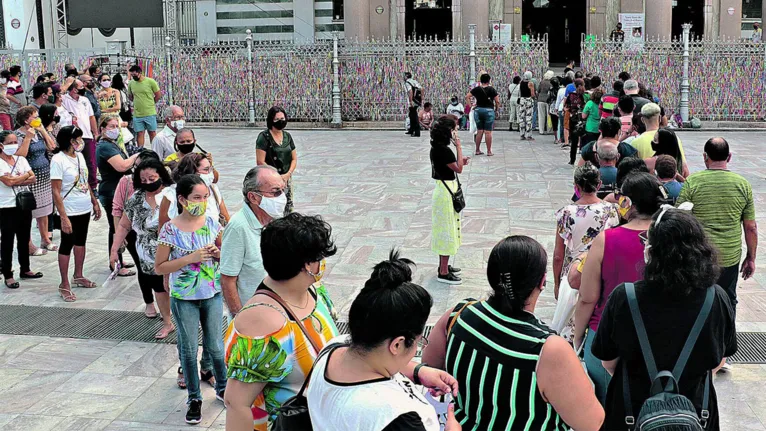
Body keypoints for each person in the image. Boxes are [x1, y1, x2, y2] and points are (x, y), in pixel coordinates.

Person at [422, 235, 605, 430]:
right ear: (542, 282)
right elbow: (593, 423)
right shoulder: (549, 350)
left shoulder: (459, 314)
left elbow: (429, 369)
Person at [592, 207, 736, 430]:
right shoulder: (716, 299)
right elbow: (718, 360)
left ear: (652, 251)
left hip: (631, 412)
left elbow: (607, 361)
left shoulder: (625, 297)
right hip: (697, 414)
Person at [307, 250, 461, 431]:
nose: (417, 349)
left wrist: (418, 371)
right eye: (419, 342)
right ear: (397, 344)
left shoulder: (335, 347)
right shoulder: (395, 417)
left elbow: (374, 359)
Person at [223, 212, 339, 431]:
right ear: (308, 265)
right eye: (320, 257)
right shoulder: (262, 323)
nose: (323, 263)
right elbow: (237, 404)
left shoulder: (314, 290)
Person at [574, 172, 664, 402]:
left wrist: (577, 338)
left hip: (608, 336)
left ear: (628, 203)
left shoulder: (607, 240)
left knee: (607, 409)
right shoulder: (670, 237)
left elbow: (588, 297)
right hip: (660, 335)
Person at [155, 174, 227, 424]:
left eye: (206, 197)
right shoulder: (170, 229)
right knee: (188, 349)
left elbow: (224, 256)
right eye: (197, 197)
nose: (203, 201)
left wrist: (218, 254)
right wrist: (190, 258)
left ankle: (223, 388)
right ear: (183, 200)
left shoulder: (211, 223)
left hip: (212, 293)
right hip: (184, 297)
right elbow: (160, 267)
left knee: (216, 346)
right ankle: (194, 398)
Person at [678, 137, 757, 319]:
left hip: (700, 255)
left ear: (705, 157)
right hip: (729, 257)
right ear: (729, 157)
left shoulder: (693, 182)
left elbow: (680, 218)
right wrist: (751, 258)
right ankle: (726, 342)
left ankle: (699, 341)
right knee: (728, 299)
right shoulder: (742, 184)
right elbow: (750, 227)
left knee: (697, 298)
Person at [111, 159, 175, 338]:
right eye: (143, 179)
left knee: (174, 286)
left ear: (161, 175)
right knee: (159, 288)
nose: (148, 182)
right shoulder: (137, 198)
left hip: (172, 250)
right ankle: (167, 322)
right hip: (147, 253)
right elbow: (124, 225)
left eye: (152, 178)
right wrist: (115, 248)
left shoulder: (172, 194)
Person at [220, 165, 285, 317]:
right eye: (275, 192)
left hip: (277, 311)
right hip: (253, 317)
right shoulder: (238, 227)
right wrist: (240, 317)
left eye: (283, 190)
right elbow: (227, 280)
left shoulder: (275, 220)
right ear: (253, 197)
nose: (282, 197)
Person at [50, 126, 101, 301]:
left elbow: (84, 181)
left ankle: (78, 274)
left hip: (84, 206)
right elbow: (56, 190)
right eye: (78, 139)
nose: (81, 142)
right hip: (69, 208)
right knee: (67, 244)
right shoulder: (58, 160)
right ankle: (64, 283)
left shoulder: (79, 156)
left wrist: (94, 202)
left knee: (81, 241)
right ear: (71, 141)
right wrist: (63, 217)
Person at [554, 163, 619, 298]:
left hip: (573, 273)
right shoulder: (612, 210)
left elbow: (558, 255)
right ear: (599, 185)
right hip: (601, 269)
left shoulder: (566, 212)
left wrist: (556, 284)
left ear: (576, 186)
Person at [97, 115, 140, 278]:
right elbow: (121, 166)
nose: (115, 129)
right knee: (119, 228)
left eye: (117, 126)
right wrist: (136, 156)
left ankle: (117, 260)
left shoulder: (112, 144)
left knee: (115, 228)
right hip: (111, 192)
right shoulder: (105, 147)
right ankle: (116, 262)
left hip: (117, 191)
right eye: (111, 126)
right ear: (103, 129)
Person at [430, 116, 468, 285]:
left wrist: (459, 160)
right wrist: (459, 146)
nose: (456, 132)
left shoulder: (438, 147)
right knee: (446, 230)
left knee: (447, 227)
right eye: (454, 129)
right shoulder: (444, 150)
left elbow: (453, 166)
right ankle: (443, 272)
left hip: (443, 188)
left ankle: (443, 266)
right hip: (445, 193)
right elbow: (458, 169)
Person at [14, 106, 57, 254]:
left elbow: (52, 147)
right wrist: (28, 138)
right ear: (26, 120)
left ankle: (46, 239)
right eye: (34, 117)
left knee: (44, 210)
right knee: (28, 213)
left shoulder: (39, 132)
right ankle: (29, 244)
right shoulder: (18, 135)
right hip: (30, 178)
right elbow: (20, 155)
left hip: (44, 176)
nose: (38, 119)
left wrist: (43, 131)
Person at [0, 130, 40, 289]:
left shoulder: (21, 159)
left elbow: (33, 177)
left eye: (15, 142)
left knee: (24, 237)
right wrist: (23, 177)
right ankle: (8, 274)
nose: (14, 145)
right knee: (7, 240)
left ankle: (25, 268)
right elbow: (8, 182)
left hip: (24, 203)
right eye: (10, 143)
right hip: (6, 205)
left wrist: (16, 179)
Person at [158, 152, 229, 232]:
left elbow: (227, 222)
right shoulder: (170, 195)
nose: (210, 173)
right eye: (206, 170)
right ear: (192, 172)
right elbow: (162, 230)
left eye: (211, 169)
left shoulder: (213, 189)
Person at [256, 106, 297, 215]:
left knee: (288, 206)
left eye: (282, 119)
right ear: (271, 120)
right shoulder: (264, 137)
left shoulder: (287, 136)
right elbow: (260, 161)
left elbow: (294, 158)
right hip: (271, 178)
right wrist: (276, 176)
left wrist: (288, 174)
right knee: (273, 207)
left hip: (286, 178)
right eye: (277, 119)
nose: (281, 122)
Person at [61, 79, 98, 192]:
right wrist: (68, 82)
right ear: (74, 89)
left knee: (91, 162)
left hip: (87, 135)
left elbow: (91, 117)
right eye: (82, 86)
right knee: (74, 161)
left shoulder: (85, 100)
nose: (84, 88)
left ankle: (93, 186)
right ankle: (75, 184)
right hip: (72, 137)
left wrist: (95, 132)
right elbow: (60, 92)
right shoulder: (64, 99)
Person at [127, 65, 162, 148]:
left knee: (152, 132)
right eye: (132, 75)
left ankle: (154, 150)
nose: (133, 77)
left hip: (149, 112)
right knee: (140, 133)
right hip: (137, 113)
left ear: (140, 73)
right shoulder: (131, 83)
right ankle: (140, 151)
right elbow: (130, 96)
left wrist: (151, 103)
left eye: (135, 75)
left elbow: (158, 95)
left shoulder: (150, 82)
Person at [466, 73, 499, 155]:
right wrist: (496, 109)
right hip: (489, 111)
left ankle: (477, 150)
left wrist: (471, 106)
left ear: (481, 80)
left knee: (479, 131)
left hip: (478, 110)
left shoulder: (477, 89)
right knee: (488, 132)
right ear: (489, 80)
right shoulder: (492, 89)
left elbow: (467, 96)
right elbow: (497, 101)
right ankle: (489, 151)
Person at [565, 78, 586, 165]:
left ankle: (572, 160)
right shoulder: (586, 95)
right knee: (584, 139)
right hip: (584, 119)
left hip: (573, 118)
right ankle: (585, 160)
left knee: (574, 140)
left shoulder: (571, 95)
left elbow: (567, 106)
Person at [517, 71, 536, 141]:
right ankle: (529, 135)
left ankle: (522, 134)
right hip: (528, 100)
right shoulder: (530, 83)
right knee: (529, 118)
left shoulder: (521, 83)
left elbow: (519, 92)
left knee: (521, 117)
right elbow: (532, 94)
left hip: (522, 100)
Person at [404, 72, 423, 137]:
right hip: (417, 101)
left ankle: (417, 132)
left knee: (414, 116)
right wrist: (421, 99)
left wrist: (410, 101)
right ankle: (411, 130)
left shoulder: (407, 83)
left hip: (413, 101)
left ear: (406, 76)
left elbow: (410, 92)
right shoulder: (414, 81)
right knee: (411, 115)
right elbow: (422, 89)